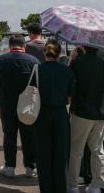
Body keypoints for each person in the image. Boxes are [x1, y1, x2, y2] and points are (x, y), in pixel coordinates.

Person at [0, 34, 39, 179]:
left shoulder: (0, 60)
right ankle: (30, 167)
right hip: (27, 105)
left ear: (10, 46)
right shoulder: (34, 61)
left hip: (6, 104)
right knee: (29, 136)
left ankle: (10, 166)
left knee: (9, 135)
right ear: (24, 46)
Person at [67, 45, 104, 193]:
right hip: (101, 111)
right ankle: (97, 184)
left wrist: (71, 60)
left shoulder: (78, 61)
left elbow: (70, 83)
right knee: (98, 150)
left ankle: (73, 184)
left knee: (76, 150)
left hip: (81, 111)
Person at [35, 38, 75, 193]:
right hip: (60, 114)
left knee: (43, 154)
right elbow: (70, 98)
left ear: (45, 52)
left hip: (42, 114)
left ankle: (46, 188)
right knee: (61, 155)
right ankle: (61, 188)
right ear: (59, 54)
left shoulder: (37, 69)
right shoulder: (67, 70)